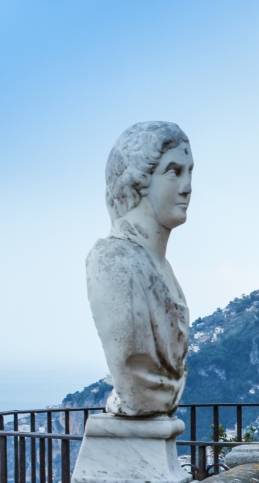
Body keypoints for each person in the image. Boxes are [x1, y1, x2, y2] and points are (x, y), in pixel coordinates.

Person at [86, 121, 193, 417]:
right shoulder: (114, 262)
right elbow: (133, 364)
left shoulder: (161, 268)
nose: (188, 187)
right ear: (139, 180)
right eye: (174, 172)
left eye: (190, 172)